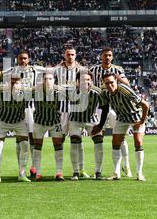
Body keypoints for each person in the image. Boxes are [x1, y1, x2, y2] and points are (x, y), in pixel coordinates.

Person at [92, 73, 149, 181]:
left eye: (111, 82)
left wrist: (142, 120)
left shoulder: (125, 90)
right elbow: (104, 110)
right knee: (115, 143)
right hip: (122, 118)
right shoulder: (104, 92)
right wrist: (100, 126)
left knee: (138, 141)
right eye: (107, 83)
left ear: (116, 82)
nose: (109, 85)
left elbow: (145, 105)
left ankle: (139, 173)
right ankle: (116, 173)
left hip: (135, 117)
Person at [90, 48, 132, 177]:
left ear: (112, 57)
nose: (107, 57)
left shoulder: (118, 69)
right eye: (105, 55)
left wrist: (119, 79)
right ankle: (98, 170)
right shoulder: (93, 70)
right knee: (98, 137)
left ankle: (126, 166)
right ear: (101, 57)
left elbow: (127, 83)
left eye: (109, 55)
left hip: (115, 107)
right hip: (99, 106)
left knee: (121, 137)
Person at [2, 51, 44, 177]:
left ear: (28, 59)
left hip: (31, 108)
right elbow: (2, 80)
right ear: (17, 59)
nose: (23, 61)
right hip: (16, 108)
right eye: (21, 58)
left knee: (32, 138)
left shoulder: (35, 71)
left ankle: (34, 167)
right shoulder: (11, 71)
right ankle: (21, 169)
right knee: (19, 139)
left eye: (25, 58)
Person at [54, 46, 90, 179]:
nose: (70, 57)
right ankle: (59, 171)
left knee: (78, 139)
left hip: (76, 108)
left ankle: (81, 169)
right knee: (60, 139)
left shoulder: (81, 70)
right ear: (64, 55)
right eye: (68, 54)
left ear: (76, 55)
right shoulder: (57, 69)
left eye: (72, 54)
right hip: (62, 109)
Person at [0, 72, 31, 183]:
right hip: (3, 121)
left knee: (25, 145)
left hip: (19, 121)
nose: (13, 84)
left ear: (20, 82)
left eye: (16, 82)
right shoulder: (1, 89)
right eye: (11, 82)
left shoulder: (26, 91)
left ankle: (22, 173)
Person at [68, 71, 107, 180]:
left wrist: (100, 125)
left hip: (91, 119)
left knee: (99, 141)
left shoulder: (98, 92)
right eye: (83, 80)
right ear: (77, 82)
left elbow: (105, 108)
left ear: (92, 81)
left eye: (88, 80)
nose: (86, 82)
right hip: (75, 120)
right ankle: (75, 172)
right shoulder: (71, 91)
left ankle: (98, 172)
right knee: (74, 142)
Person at [31, 71, 66, 181]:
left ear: (54, 80)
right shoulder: (35, 90)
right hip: (39, 122)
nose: (48, 81)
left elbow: (65, 109)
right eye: (45, 79)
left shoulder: (60, 91)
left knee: (58, 145)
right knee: (37, 146)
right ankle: (38, 173)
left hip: (55, 122)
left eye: (50, 79)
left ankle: (59, 172)